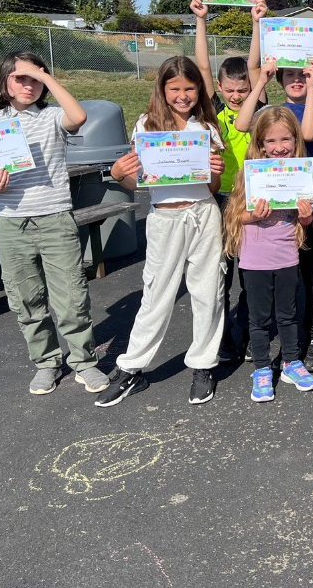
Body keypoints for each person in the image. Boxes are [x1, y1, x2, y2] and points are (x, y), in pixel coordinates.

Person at [96, 56, 226, 407]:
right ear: (163, 90)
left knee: (208, 292)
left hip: (203, 216)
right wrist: (118, 172)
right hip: (164, 219)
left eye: (189, 87)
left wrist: (216, 170)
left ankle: (203, 364)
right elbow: (135, 181)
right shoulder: (146, 125)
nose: (182, 95)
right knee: (156, 295)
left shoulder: (206, 128)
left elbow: (212, 188)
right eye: (175, 89)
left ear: (199, 89)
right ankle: (132, 368)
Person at [0, 51, 106, 396]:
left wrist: (45, 75)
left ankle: (85, 362)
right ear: (4, 81)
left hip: (54, 219)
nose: (28, 85)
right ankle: (46, 363)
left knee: (71, 297)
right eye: (20, 77)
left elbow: (79, 116)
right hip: (10, 223)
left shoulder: (51, 117)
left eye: (35, 79)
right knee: (26, 299)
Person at [238, 40, 313, 373]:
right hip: (272, 208)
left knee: (311, 273)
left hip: (307, 203)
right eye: (290, 75)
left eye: (302, 75)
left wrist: (312, 87)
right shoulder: (269, 113)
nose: (297, 80)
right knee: (272, 273)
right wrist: (261, 79)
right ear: (280, 79)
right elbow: (240, 124)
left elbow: (307, 133)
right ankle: (262, 335)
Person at [191, 0, 268, 364]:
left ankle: (255, 333)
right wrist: (202, 20)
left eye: (243, 90)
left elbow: (255, 64)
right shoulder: (211, 113)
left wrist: (257, 22)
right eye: (231, 91)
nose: (237, 96)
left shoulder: (258, 111)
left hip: (254, 197)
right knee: (219, 272)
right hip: (220, 198)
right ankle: (221, 337)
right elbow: (203, 68)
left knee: (250, 274)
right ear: (220, 89)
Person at [222, 107, 313, 402]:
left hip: (287, 254)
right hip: (255, 259)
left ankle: (291, 362)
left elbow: (305, 219)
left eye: (286, 139)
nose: (279, 147)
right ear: (260, 143)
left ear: (295, 140)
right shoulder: (250, 172)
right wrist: (253, 216)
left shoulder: (300, 172)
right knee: (260, 318)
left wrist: (305, 217)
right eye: (271, 141)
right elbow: (235, 217)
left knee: (288, 315)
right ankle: (263, 368)